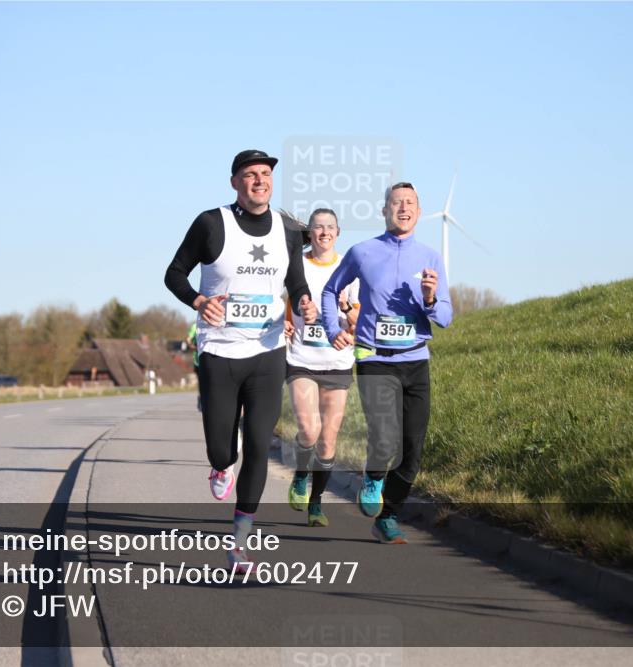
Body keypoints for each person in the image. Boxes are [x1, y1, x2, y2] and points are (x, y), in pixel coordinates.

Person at [164, 149, 317, 571]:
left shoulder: (287, 230)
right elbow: (173, 273)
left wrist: (304, 302)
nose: (259, 181)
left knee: (258, 447)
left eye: (265, 174)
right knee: (221, 447)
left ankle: (239, 543)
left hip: (268, 351)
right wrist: (198, 300)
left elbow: (296, 280)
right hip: (219, 351)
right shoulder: (211, 223)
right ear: (235, 182)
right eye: (250, 175)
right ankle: (218, 467)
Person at [321, 182, 453, 544]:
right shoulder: (362, 252)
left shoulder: (430, 257)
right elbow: (331, 290)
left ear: (420, 212)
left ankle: (388, 517)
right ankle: (373, 477)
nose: (403, 208)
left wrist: (429, 298)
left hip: (415, 362)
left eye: (410, 202)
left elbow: (445, 316)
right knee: (384, 437)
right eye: (396, 203)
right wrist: (333, 327)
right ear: (384, 211)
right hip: (374, 358)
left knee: (412, 451)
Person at [283, 208, 359, 527]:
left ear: (338, 233)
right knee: (309, 431)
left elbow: (359, 320)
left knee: (328, 440)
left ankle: (316, 504)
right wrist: (284, 324)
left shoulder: (350, 268)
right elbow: (280, 302)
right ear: (309, 233)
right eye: (318, 227)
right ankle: (300, 476)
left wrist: (345, 309)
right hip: (301, 360)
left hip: (338, 362)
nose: (324, 232)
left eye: (330, 227)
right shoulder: (295, 264)